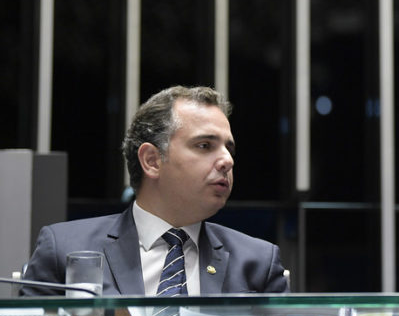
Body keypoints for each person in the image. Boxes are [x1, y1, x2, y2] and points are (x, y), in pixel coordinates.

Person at [21, 85, 289, 295]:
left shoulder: (258, 263)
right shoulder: (65, 249)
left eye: (229, 148)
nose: (227, 160)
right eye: (205, 145)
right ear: (152, 160)